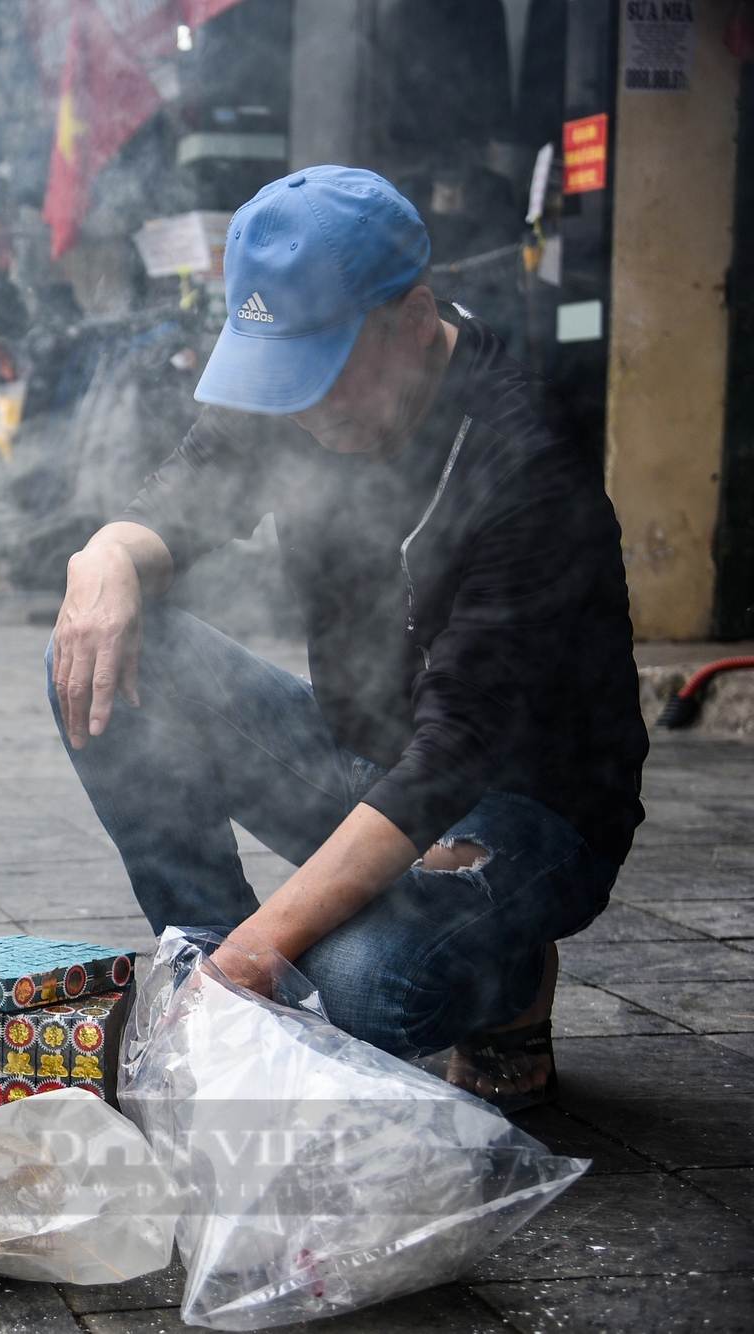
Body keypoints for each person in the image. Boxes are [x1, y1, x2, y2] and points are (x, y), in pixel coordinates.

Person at [47, 166, 646, 1113]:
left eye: (325, 376)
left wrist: (264, 956)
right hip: (363, 763)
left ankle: (502, 978)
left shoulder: (526, 460)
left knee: (367, 981)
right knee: (103, 648)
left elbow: (454, 754)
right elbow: (181, 498)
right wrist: (106, 559)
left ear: (413, 318)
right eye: (282, 380)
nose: (305, 409)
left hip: (521, 813)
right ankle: (206, 965)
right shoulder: (295, 396)